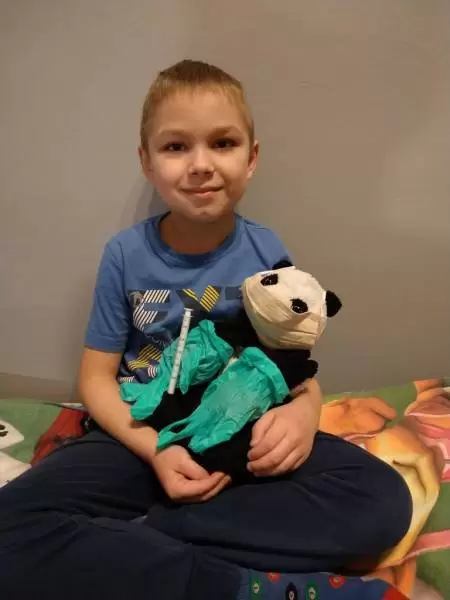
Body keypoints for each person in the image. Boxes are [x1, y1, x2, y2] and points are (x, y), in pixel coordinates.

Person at [0, 60, 412, 600]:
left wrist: (304, 411)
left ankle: (136, 540)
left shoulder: (267, 251)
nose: (201, 165)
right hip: (144, 436)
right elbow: (96, 378)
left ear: (251, 158)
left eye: (223, 143)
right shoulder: (125, 255)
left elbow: (291, 361)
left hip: (242, 434)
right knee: (10, 527)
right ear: (147, 162)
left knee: (383, 501)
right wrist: (156, 450)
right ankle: (231, 582)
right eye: (176, 147)